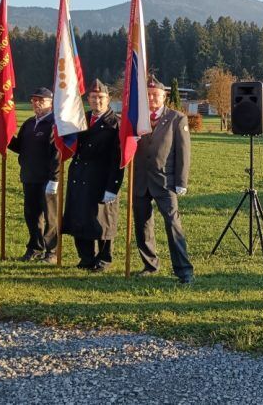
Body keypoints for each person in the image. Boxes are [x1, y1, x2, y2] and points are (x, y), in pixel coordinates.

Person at [133, 77, 194, 283]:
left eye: (156, 95)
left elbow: (183, 152)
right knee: (142, 225)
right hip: (141, 180)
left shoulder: (176, 118)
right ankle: (150, 265)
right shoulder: (137, 118)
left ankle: (184, 270)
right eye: (148, 95)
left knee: (173, 224)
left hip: (165, 181)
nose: (151, 98)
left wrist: (181, 181)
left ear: (164, 96)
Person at [62, 79, 124, 271]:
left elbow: (118, 159)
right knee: (80, 217)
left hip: (101, 178)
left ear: (108, 99)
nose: (97, 101)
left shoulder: (115, 123)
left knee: (103, 221)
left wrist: (112, 187)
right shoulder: (81, 119)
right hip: (80, 175)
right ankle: (86, 257)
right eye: (93, 97)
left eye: (101, 97)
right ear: (88, 99)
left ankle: (104, 259)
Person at [7, 87, 60, 263]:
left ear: (51, 103)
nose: (36, 104)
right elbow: (20, 147)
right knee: (31, 215)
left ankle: (51, 251)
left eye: (41, 101)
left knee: (50, 216)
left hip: (47, 178)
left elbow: (57, 154)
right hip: (29, 176)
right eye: (34, 100)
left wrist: (54, 178)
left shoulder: (55, 124)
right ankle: (35, 247)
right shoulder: (29, 123)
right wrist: (5, 136)